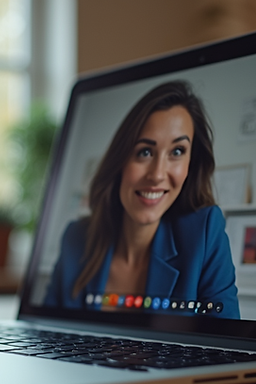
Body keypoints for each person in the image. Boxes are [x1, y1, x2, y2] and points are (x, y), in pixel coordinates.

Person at [44, 81, 240, 319]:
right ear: (121, 160)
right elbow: (48, 330)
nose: (157, 174)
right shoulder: (76, 238)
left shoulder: (205, 233)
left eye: (177, 152)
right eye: (145, 152)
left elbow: (226, 347)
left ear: (191, 164)